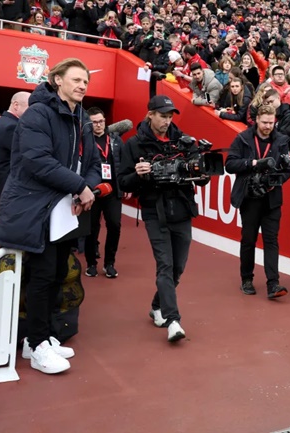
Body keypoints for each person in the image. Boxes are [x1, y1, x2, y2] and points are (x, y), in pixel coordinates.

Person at [0, 58, 101, 374]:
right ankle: (37, 344)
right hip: (37, 209)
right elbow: (36, 160)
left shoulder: (81, 118)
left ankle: (41, 338)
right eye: (76, 80)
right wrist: (80, 187)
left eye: (85, 81)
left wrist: (86, 188)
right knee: (41, 276)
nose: (82, 85)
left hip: (67, 211)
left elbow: (92, 162)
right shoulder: (38, 113)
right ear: (57, 80)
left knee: (55, 275)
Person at [118, 95, 209, 343]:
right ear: (150, 114)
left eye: (170, 116)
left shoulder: (183, 141)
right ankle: (173, 320)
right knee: (165, 266)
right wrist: (137, 174)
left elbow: (201, 176)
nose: (167, 121)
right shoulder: (134, 144)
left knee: (178, 267)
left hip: (182, 209)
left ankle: (157, 305)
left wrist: (200, 172)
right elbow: (122, 181)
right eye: (163, 116)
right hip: (154, 211)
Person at [225, 104, 290, 299]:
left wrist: (276, 179)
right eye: (264, 122)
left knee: (271, 241)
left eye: (271, 123)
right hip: (249, 197)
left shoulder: (281, 140)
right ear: (256, 121)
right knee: (248, 240)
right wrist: (253, 163)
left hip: (272, 198)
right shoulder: (243, 138)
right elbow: (229, 164)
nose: (268, 126)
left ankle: (273, 283)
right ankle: (246, 279)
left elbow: (287, 169)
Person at [83, 107, 130, 279]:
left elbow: (123, 164)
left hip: (113, 191)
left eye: (101, 121)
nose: (98, 125)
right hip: (92, 191)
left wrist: (125, 186)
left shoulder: (116, 140)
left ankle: (109, 263)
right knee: (91, 229)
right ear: (89, 123)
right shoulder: (85, 141)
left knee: (114, 226)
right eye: (94, 122)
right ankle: (91, 264)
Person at [0, 91, 30, 196]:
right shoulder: (12, 127)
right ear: (16, 105)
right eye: (29, 107)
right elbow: (25, 158)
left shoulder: (4, 122)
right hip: (7, 188)